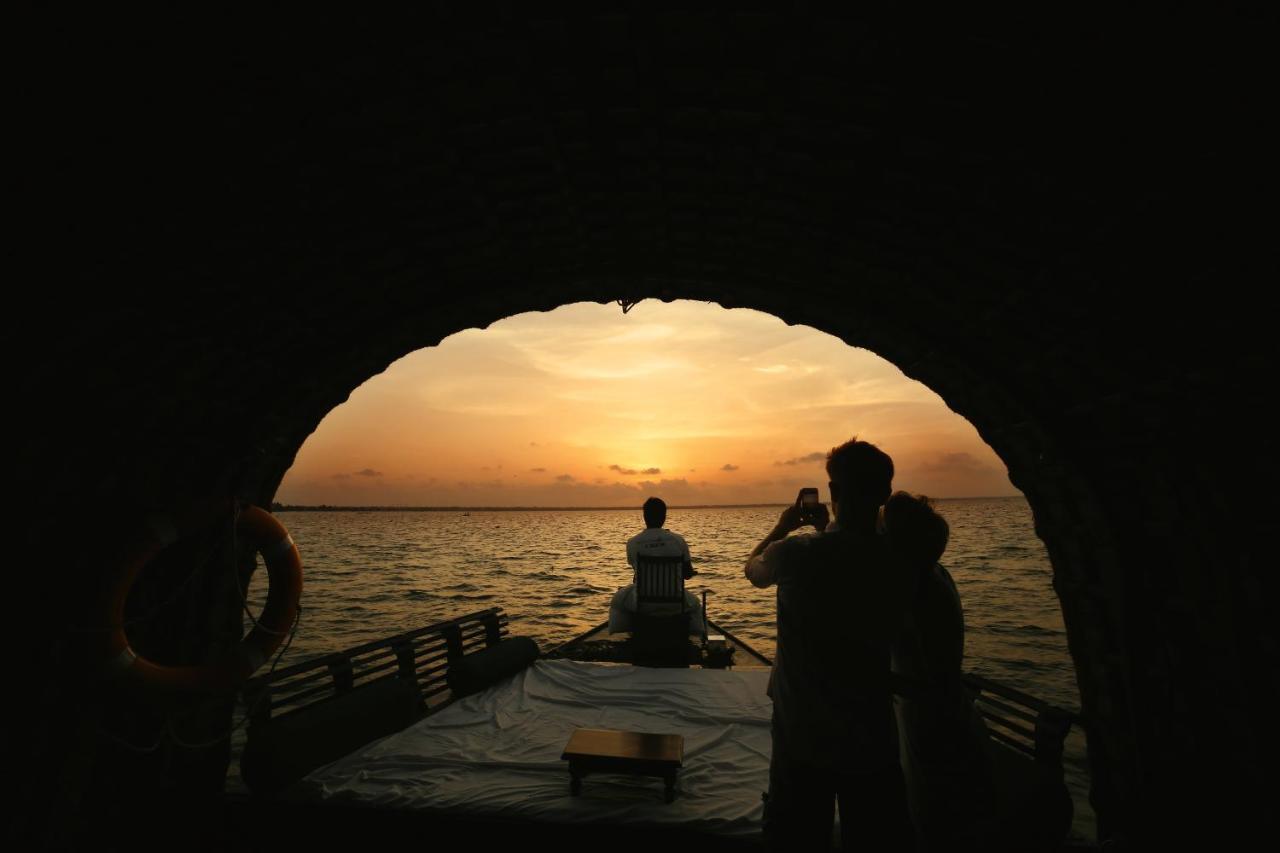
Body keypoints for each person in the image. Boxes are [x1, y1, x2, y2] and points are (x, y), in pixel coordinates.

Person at [744, 438, 915, 851]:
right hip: (869, 730)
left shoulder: (796, 552)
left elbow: (754, 571)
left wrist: (783, 526)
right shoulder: (901, 559)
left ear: (833, 493)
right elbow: (851, 556)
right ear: (885, 495)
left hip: (802, 728)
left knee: (795, 833)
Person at [883, 492, 997, 851]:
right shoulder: (934, 576)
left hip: (929, 718)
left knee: (932, 818)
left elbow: (924, 676)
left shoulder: (914, 589)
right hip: (945, 713)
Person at [608, 497, 703, 634]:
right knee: (696, 604)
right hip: (675, 605)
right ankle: (700, 637)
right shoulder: (678, 540)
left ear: (644, 516)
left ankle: (620, 634)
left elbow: (635, 571)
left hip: (642, 605)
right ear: (664, 517)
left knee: (617, 600)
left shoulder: (633, 542)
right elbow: (687, 575)